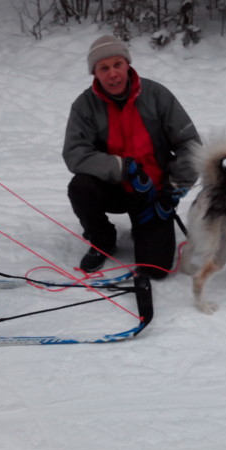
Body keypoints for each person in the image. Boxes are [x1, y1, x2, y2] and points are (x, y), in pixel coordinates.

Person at [63, 35, 202, 278]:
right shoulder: (84, 105)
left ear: (127, 65)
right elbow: (75, 153)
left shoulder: (157, 95)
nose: (112, 73)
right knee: (80, 187)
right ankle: (102, 239)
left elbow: (190, 145)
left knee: (156, 270)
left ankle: (145, 228)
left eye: (118, 64)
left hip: (153, 195)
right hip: (113, 189)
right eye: (103, 68)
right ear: (94, 73)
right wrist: (122, 167)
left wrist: (173, 192)